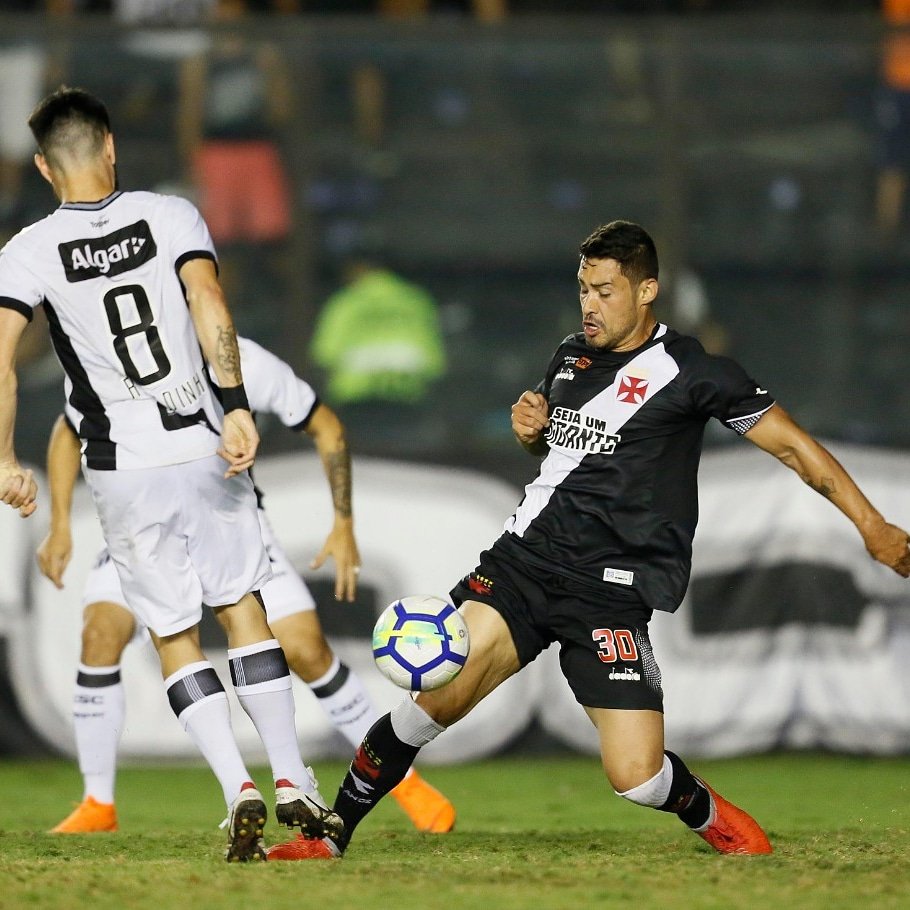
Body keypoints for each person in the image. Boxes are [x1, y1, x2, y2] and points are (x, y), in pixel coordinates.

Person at [266, 219, 910, 861]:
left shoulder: (693, 372)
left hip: (610, 594)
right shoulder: (571, 358)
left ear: (647, 289)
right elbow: (558, 456)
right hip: (523, 566)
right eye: (584, 289)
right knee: (431, 701)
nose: (590, 305)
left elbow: (796, 449)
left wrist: (872, 525)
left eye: (605, 290)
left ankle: (708, 811)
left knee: (639, 776)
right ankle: (329, 834)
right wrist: (530, 431)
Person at [0, 86, 343, 861]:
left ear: (46, 170)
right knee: (245, 610)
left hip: (122, 468)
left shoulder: (25, 251)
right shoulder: (170, 215)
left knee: (174, 634)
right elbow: (209, 301)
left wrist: (4, 459)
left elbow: (1, 366)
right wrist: (235, 404)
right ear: (111, 147)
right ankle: (292, 779)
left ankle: (238, 791)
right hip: (198, 444)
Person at [38, 335, 456, 836]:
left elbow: (325, 425)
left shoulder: (243, 360)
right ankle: (97, 802)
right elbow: (68, 431)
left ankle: (404, 782)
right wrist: (60, 523)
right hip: (144, 526)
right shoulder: (114, 357)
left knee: (305, 649)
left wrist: (342, 523)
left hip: (230, 518)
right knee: (100, 634)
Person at [308, 255, 447, 453]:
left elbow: (324, 356)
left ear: (358, 268)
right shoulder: (416, 301)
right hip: (406, 400)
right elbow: (435, 363)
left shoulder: (346, 302)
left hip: (357, 402)